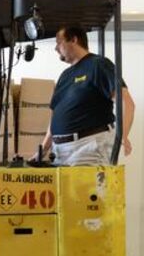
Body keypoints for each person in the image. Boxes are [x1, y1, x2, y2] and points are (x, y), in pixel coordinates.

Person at [38, 26, 135, 166]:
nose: (56, 48)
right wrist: (43, 149)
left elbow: (126, 103)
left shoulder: (98, 65)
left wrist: (122, 136)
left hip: (88, 148)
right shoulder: (65, 76)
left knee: (87, 188)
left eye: (59, 42)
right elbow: (55, 117)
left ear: (74, 40)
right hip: (60, 152)